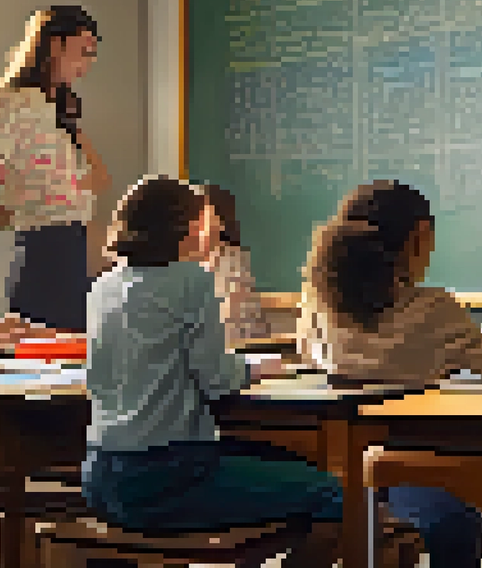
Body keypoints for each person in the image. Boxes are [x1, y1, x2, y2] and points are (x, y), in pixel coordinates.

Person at [301, 180, 482, 568]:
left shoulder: (319, 309)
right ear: (419, 237)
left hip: (343, 469)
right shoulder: (433, 310)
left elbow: (312, 360)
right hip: (421, 466)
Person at [81, 176, 341, 566]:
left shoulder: (102, 286)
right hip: (166, 481)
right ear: (183, 228)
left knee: (263, 460)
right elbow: (217, 379)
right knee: (333, 493)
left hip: (100, 477)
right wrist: (256, 369)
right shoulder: (191, 280)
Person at [0, 5, 109, 332]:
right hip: (43, 246)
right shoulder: (19, 102)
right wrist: (13, 202)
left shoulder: (57, 112)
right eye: (83, 51)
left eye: (93, 55)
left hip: (72, 245)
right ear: (54, 45)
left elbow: (100, 179)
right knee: (44, 350)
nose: (87, 63)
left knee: (70, 349)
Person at [195, 184, 266, 344]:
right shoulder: (182, 261)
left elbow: (227, 322)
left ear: (220, 222)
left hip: (235, 349)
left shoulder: (233, 261)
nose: (193, 225)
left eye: (201, 215)